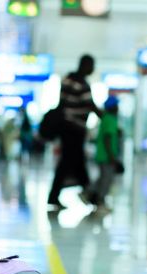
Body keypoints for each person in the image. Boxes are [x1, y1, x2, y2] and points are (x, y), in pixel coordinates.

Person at [47, 54, 101, 209]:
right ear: (85, 65)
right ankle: (89, 194)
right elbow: (90, 105)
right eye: (91, 65)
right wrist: (107, 119)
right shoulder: (81, 84)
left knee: (72, 161)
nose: (92, 69)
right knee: (73, 161)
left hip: (66, 127)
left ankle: (85, 193)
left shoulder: (67, 79)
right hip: (74, 129)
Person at [84, 96, 121, 209]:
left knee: (102, 177)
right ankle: (100, 200)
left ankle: (89, 194)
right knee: (106, 179)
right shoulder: (111, 119)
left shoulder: (105, 118)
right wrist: (111, 155)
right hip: (106, 156)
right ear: (113, 107)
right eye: (116, 105)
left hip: (102, 154)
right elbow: (107, 138)